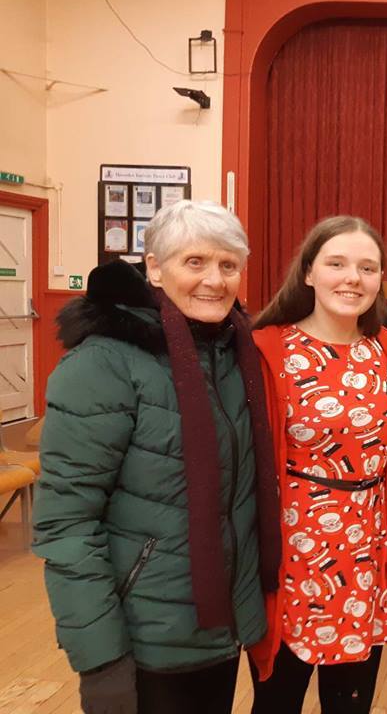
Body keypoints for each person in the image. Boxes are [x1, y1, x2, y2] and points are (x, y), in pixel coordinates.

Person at [33, 200, 281, 714]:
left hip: (219, 625)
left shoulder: (237, 355)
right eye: (195, 262)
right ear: (154, 267)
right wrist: (100, 661)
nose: (214, 279)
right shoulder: (103, 362)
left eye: (228, 265)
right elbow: (67, 524)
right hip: (144, 639)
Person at [248, 215, 387, 714]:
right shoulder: (267, 347)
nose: (352, 278)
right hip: (294, 558)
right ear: (309, 272)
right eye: (336, 263)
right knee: (278, 702)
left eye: (367, 267)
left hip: (364, 556)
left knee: (350, 704)